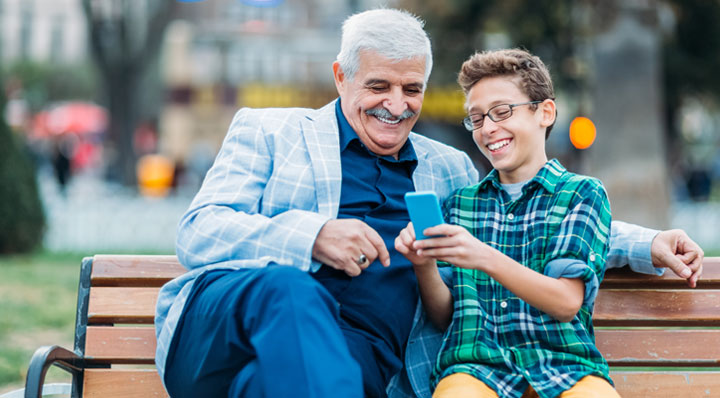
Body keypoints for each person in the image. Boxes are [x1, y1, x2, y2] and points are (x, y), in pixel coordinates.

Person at [154, 8, 704, 398]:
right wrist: (311, 237)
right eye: (379, 86)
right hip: (225, 329)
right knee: (292, 291)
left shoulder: (447, 168)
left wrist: (648, 243)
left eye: (412, 89)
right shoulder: (269, 131)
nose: (397, 105)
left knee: (281, 382)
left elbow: (524, 214)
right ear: (341, 76)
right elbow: (200, 231)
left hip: (352, 362)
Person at [396, 48, 616, 398]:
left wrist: (482, 256)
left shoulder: (582, 194)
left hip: (565, 367)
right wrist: (423, 265)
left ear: (544, 112)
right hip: (475, 370)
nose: (488, 128)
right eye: (477, 118)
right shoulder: (461, 203)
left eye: (501, 112)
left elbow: (565, 302)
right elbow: (445, 317)